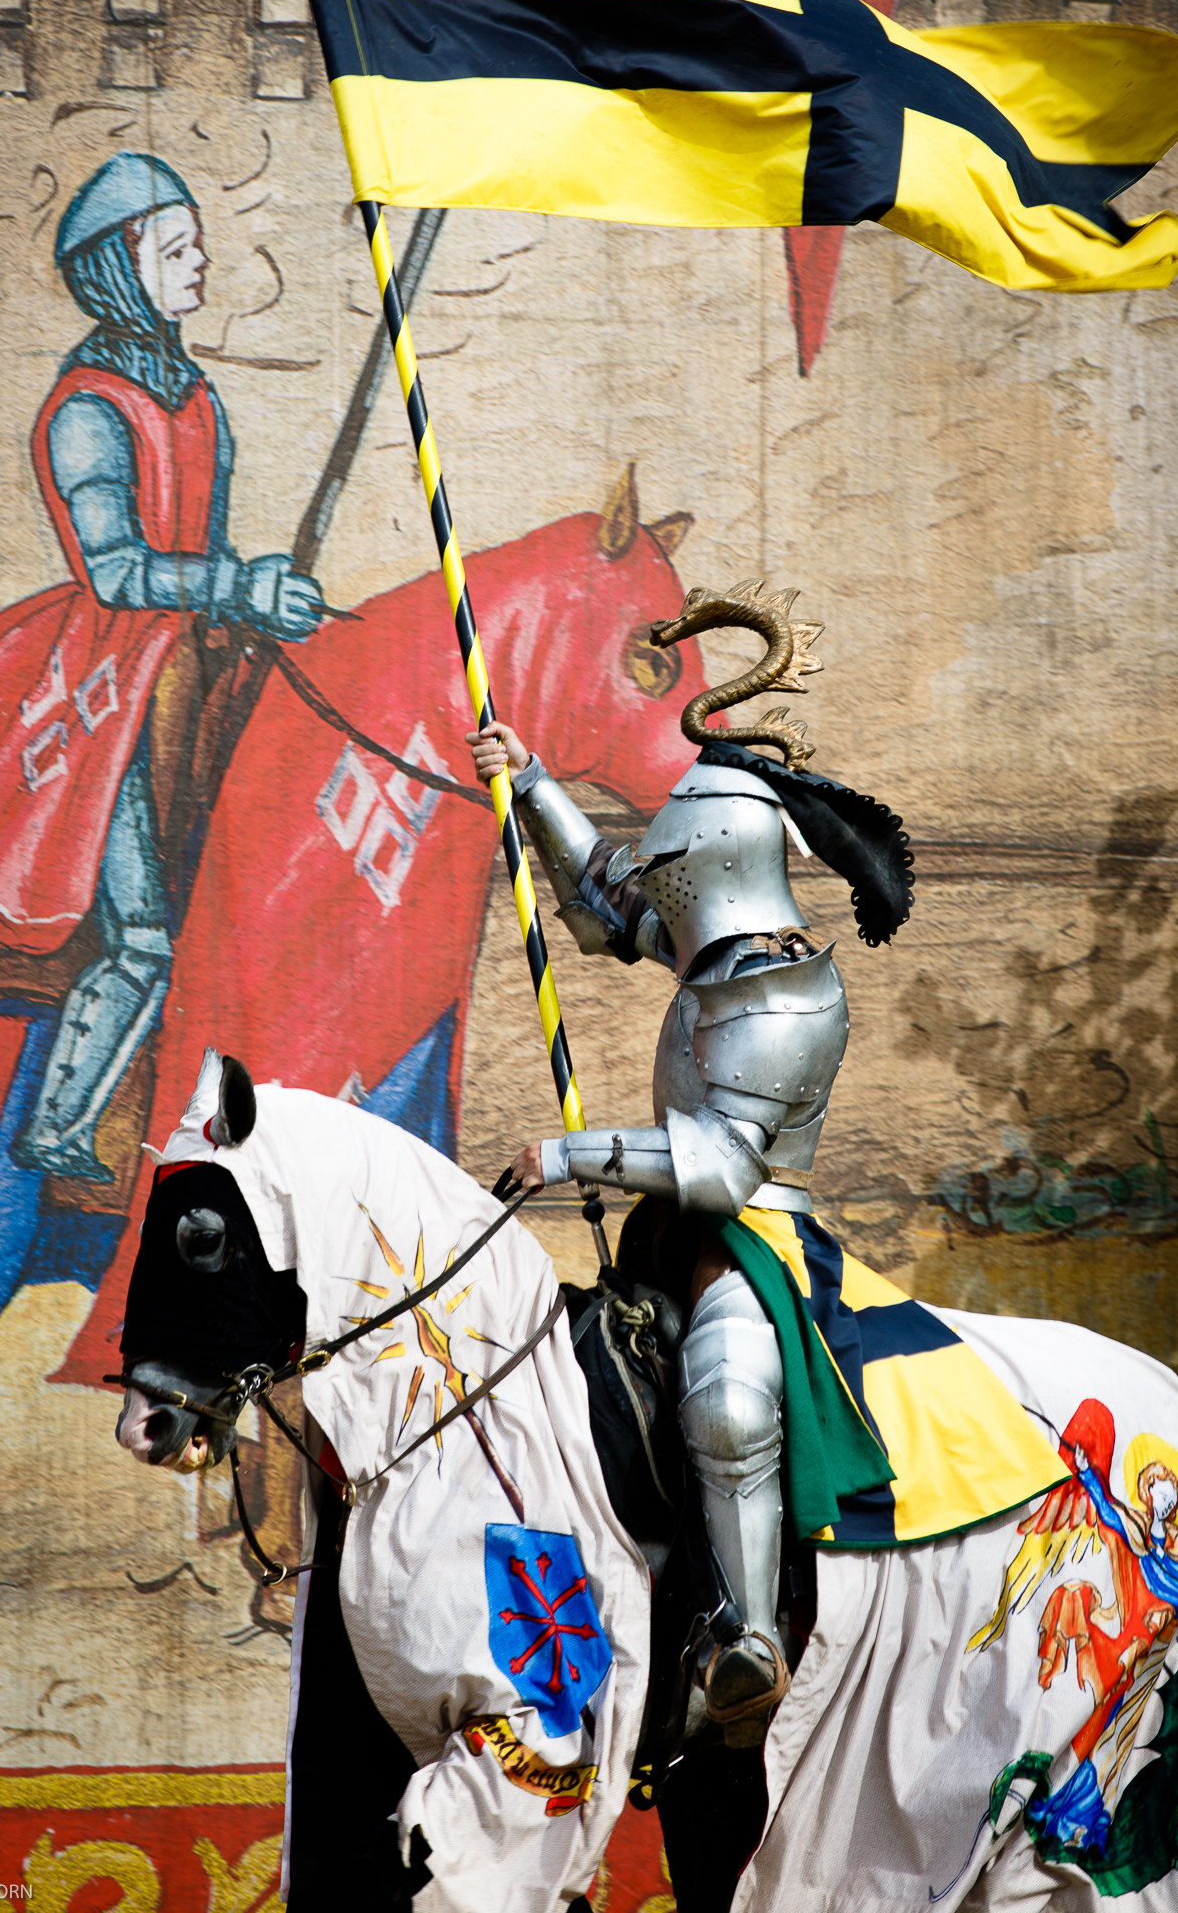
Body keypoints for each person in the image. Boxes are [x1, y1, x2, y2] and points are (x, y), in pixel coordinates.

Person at [467, 714, 911, 1732]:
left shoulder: (786, 994)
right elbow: (607, 897)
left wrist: (564, 1156)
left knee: (726, 1394)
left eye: (671, 872)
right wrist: (530, 781)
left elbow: (719, 1164)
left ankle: (747, 1635)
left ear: (713, 866)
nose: (655, 890)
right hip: (667, 1238)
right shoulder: (717, 951)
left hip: (756, 1238)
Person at [0, 153, 324, 1182]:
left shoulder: (195, 392)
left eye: (198, 246)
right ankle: (54, 1133)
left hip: (191, 660)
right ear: (118, 269)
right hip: (102, 686)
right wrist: (238, 587)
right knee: (143, 935)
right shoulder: (86, 406)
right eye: (177, 250)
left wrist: (253, 602)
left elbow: (206, 545)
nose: (200, 265)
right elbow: (117, 568)